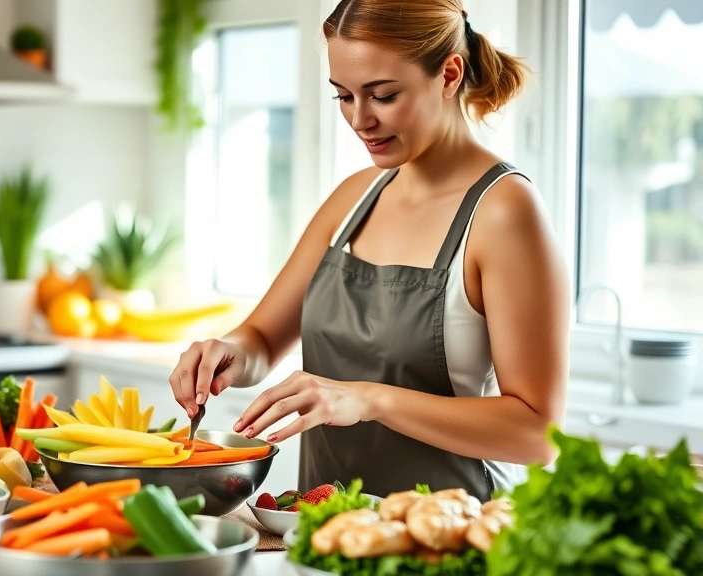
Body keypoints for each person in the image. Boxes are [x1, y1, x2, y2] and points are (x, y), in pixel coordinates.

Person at [168, 0, 570, 501]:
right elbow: (261, 339)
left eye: (383, 95)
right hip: (328, 531)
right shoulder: (355, 196)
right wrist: (225, 353)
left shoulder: (504, 212)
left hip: (453, 538)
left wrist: (369, 399)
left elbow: (538, 433)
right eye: (343, 96)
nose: (360, 119)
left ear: (448, 73)